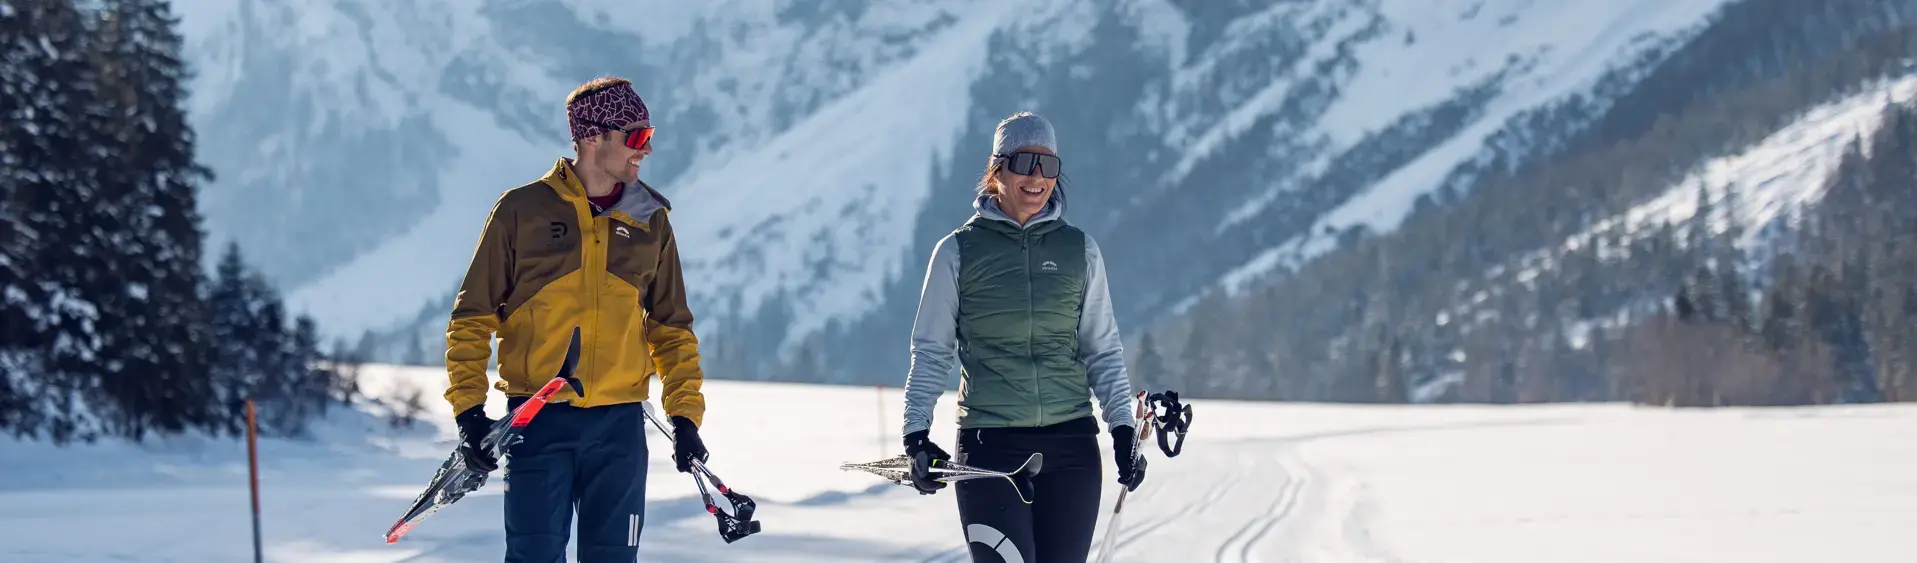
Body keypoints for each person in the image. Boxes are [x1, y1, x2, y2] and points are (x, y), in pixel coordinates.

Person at [442, 76, 712, 562]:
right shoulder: (521, 212)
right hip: (537, 423)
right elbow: (472, 318)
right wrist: (469, 413)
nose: (644, 151)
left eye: (648, 138)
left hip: (620, 431)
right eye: (636, 138)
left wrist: (685, 418)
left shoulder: (650, 220)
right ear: (593, 137)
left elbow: (671, 330)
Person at [899, 111, 1144, 563]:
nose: (1037, 177)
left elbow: (1102, 349)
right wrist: (916, 435)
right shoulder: (958, 251)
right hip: (990, 448)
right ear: (997, 170)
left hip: (1072, 449)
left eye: (1049, 166)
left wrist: (1123, 428)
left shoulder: (1079, 250)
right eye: (1026, 162)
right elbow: (932, 350)